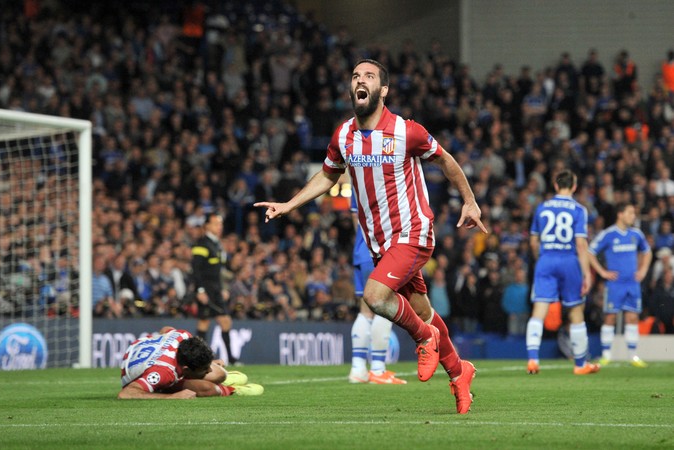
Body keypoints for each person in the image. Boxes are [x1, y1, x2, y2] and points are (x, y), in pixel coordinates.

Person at [255, 59, 487, 414]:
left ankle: (426, 339)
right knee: (423, 311)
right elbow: (327, 176)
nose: (360, 80)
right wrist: (290, 204)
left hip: (412, 231)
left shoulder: (406, 131)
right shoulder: (343, 135)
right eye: (355, 76)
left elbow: (446, 160)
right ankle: (459, 372)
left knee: (377, 296)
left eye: (369, 76)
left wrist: (469, 201)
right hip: (379, 242)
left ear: (384, 90)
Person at [525, 169, 600, 375]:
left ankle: (533, 359)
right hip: (569, 261)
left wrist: (541, 258)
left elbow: (533, 241)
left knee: (539, 311)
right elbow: (581, 244)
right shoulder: (579, 209)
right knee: (576, 312)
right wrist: (586, 273)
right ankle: (580, 364)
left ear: (556, 186)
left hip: (546, 259)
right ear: (574, 186)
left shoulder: (542, 208)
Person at [348, 191, 407, 385]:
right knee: (383, 304)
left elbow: (355, 217)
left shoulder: (358, 174)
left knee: (365, 309)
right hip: (382, 250)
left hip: (361, 250)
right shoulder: (386, 176)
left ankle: (357, 369)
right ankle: (377, 369)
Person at [588, 202, 652, 367]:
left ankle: (632, 356)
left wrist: (643, 270)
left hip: (632, 284)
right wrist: (602, 272)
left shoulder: (636, 234)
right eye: (630, 213)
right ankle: (606, 355)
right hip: (615, 284)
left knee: (632, 318)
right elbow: (590, 252)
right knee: (610, 317)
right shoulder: (608, 234)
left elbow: (647, 251)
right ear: (620, 214)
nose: (633, 216)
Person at [118, 326, 262, 399]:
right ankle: (233, 390)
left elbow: (165, 330)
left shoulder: (183, 336)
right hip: (149, 371)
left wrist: (207, 363)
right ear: (186, 370)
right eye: (205, 369)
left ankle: (226, 379)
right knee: (209, 388)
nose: (209, 370)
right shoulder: (162, 372)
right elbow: (126, 393)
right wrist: (171, 398)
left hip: (148, 350)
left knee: (219, 374)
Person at [191, 213, 238, 365]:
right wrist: (200, 290)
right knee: (208, 322)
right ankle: (201, 359)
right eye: (216, 224)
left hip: (216, 290)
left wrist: (223, 288)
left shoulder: (217, 245)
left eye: (220, 224)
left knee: (218, 321)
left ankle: (225, 358)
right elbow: (196, 269)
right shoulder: (201, 244)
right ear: (207, 226)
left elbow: (220, 271)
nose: (220, 227)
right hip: (206, 289)